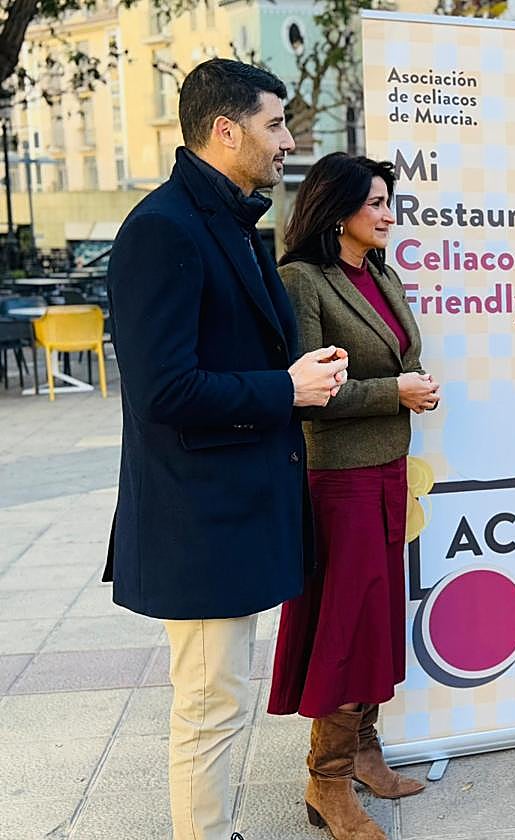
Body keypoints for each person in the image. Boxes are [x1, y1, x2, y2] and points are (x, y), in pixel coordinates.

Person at [104, 58, 349, 840]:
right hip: (196, 519)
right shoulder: (162, 229)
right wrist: (287, 389)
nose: (287, 142)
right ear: (225, 129)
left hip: (233, 509)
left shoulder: (230, 220)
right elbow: (163, 391)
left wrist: (297, 378)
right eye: (275, 124)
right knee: (210, 704)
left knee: (220, 700)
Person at [268, 153, 438, 839]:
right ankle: (326, 779)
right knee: (343, 625)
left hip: (387, 471)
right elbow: (305, 396)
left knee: (373, 621)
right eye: (376, 203)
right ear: (337, 209)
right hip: (336, 481)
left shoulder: (381, 275)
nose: (389, 214)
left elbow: (395, 359)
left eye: (389, 201)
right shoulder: (302, 281)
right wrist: (393, 393)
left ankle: (364, 749)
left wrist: (409, 388)